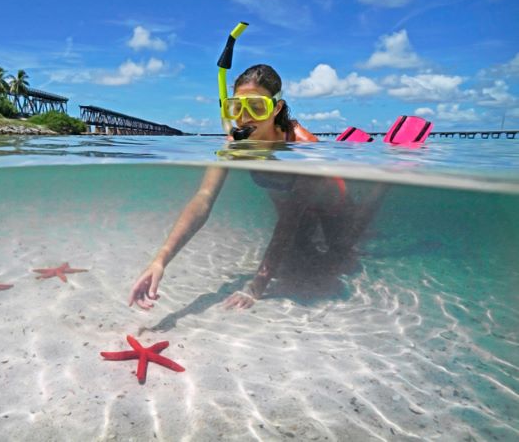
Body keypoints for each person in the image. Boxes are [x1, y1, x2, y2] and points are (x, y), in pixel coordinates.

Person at [128, 64, 384, 310]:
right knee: (297, 260)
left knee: (339, 254)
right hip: (295, 214)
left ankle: (381, 185)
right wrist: (160, 260)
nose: (245, 117)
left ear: (276, 108)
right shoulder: (235, 145)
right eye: (236, 107)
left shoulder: (303, 147)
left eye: (257, 107)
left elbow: (289, 219)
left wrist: (256, 287)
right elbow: (203, 199)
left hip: (332, 206)